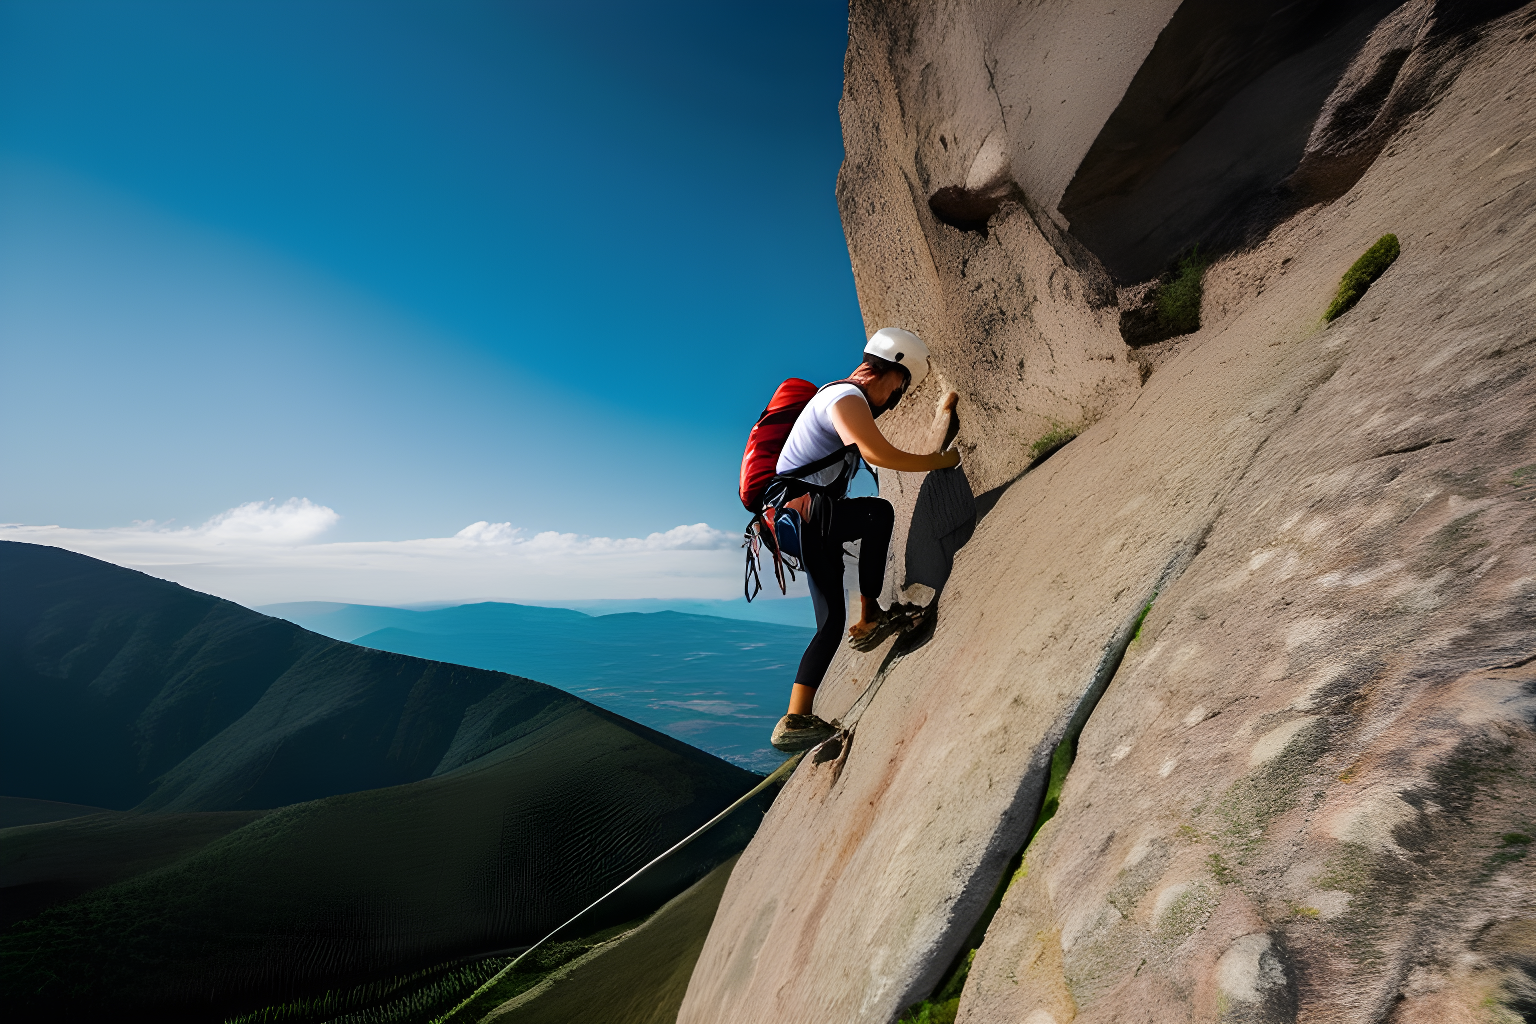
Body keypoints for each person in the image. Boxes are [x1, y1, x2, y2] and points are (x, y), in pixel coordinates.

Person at [769, 328, 960, 752]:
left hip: (798, 521)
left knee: (831, 623)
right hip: (811, 514)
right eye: (901, 385)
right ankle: (872, 616)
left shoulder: (840, 400)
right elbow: (877, 454)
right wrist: (941, 460)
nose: (897, 396)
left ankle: (795, 718)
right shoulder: (845, 398)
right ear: (890, 370)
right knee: (878, 512)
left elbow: (871, 453)